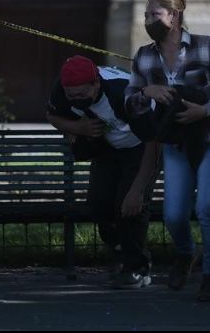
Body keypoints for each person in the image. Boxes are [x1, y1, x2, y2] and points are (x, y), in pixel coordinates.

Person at [125, 0, 210, 302]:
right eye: (146, 15)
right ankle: (186, 252)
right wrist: (146, 92)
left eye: (154, 15)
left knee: (207, 208)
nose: (148, 20)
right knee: (174, 215)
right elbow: (129, 103)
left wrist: (206, 109)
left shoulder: (206, 46)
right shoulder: (144, 56)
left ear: (174, 17)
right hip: (176, 141)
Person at [46, 55, 160, 288]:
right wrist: (77, 127)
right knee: (98, 203)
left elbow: (154, 143)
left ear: (96, 83)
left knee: (129, 207)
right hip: (108, 147)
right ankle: (120, 251)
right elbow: (52, 116)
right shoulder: (64, 87)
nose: (77, 100)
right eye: (71, 96)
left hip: (142, 147)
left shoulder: (125, 94)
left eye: (82, 94)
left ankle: (136, 268)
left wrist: (138, 190)